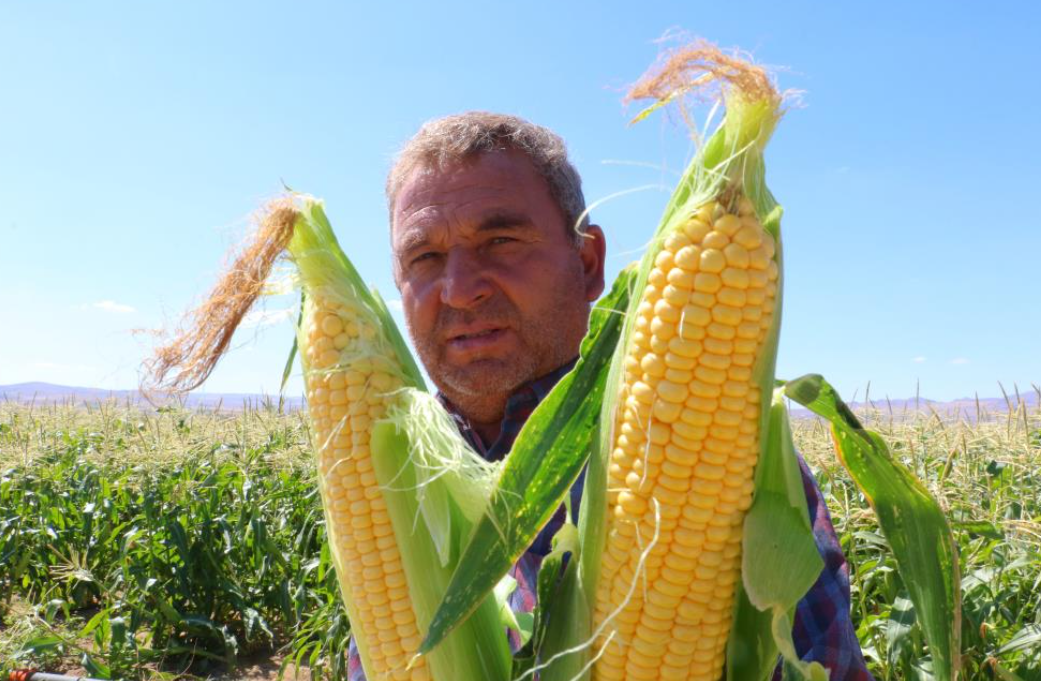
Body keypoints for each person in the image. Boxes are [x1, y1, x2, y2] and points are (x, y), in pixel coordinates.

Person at [345, 112, 874, 680]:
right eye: (424, 258)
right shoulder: (386, 479)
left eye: (500, 241)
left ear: (589, 262)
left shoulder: (731, 473)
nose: (459, 289)